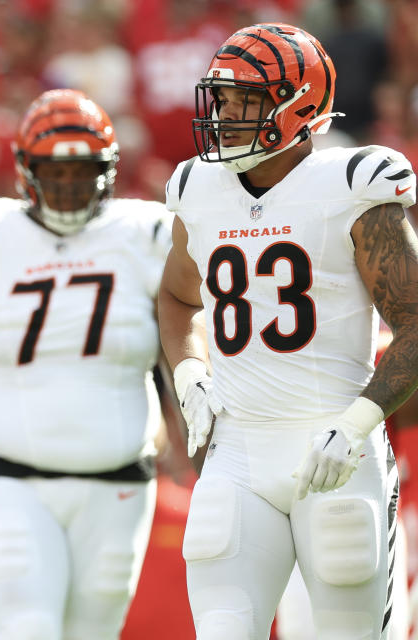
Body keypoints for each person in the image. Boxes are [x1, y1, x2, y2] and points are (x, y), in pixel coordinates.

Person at [158, 23, 418, 640]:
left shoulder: (352, 186)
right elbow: (175, 299)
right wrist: (191, 372)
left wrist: (358, 422)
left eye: (244, 99)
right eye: (221, 98)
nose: (225, 115)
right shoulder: (198, 189)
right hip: (238, 452)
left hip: (337, 452)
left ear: (298, 103)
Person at [0, 88, 173, 640]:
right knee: (25, 628)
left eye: (81, 170)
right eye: (54, 171)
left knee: (92, 634)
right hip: (9, 477)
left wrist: (195, 447)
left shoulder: (147, 234)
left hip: (119, 477)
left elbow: (179, 353)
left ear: (108, 169)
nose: (67, 185)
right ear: (25, 170)